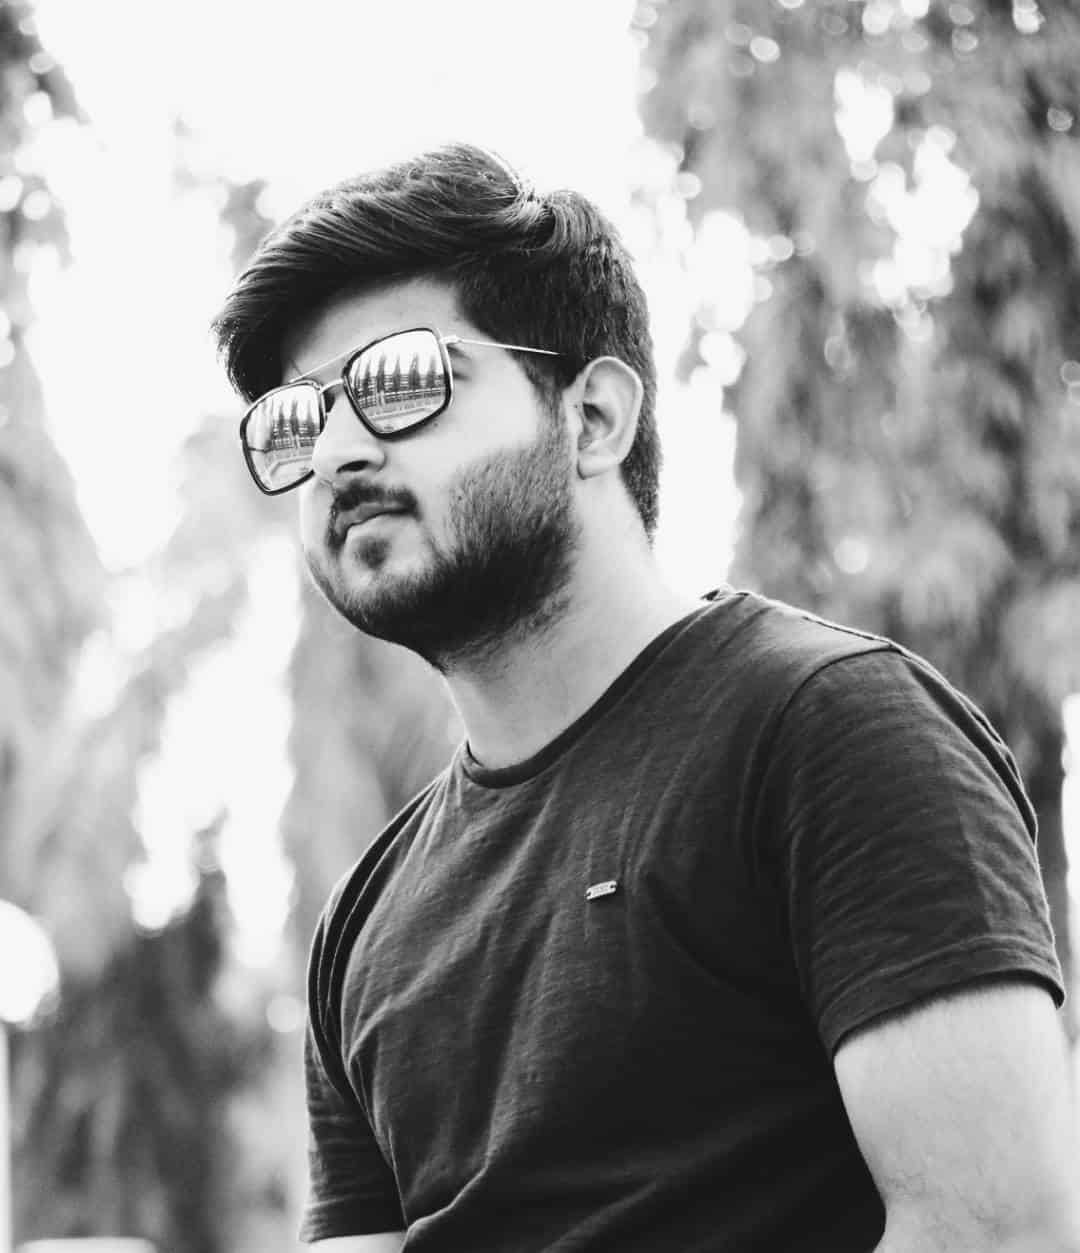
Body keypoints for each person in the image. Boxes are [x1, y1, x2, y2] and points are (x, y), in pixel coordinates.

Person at [211, 143, 1078, 1252]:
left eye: (397, 381)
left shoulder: (832, 734)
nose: (335, 453)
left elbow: (998, 1230)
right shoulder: (366, 921)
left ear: (593, 418)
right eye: (296, 421)